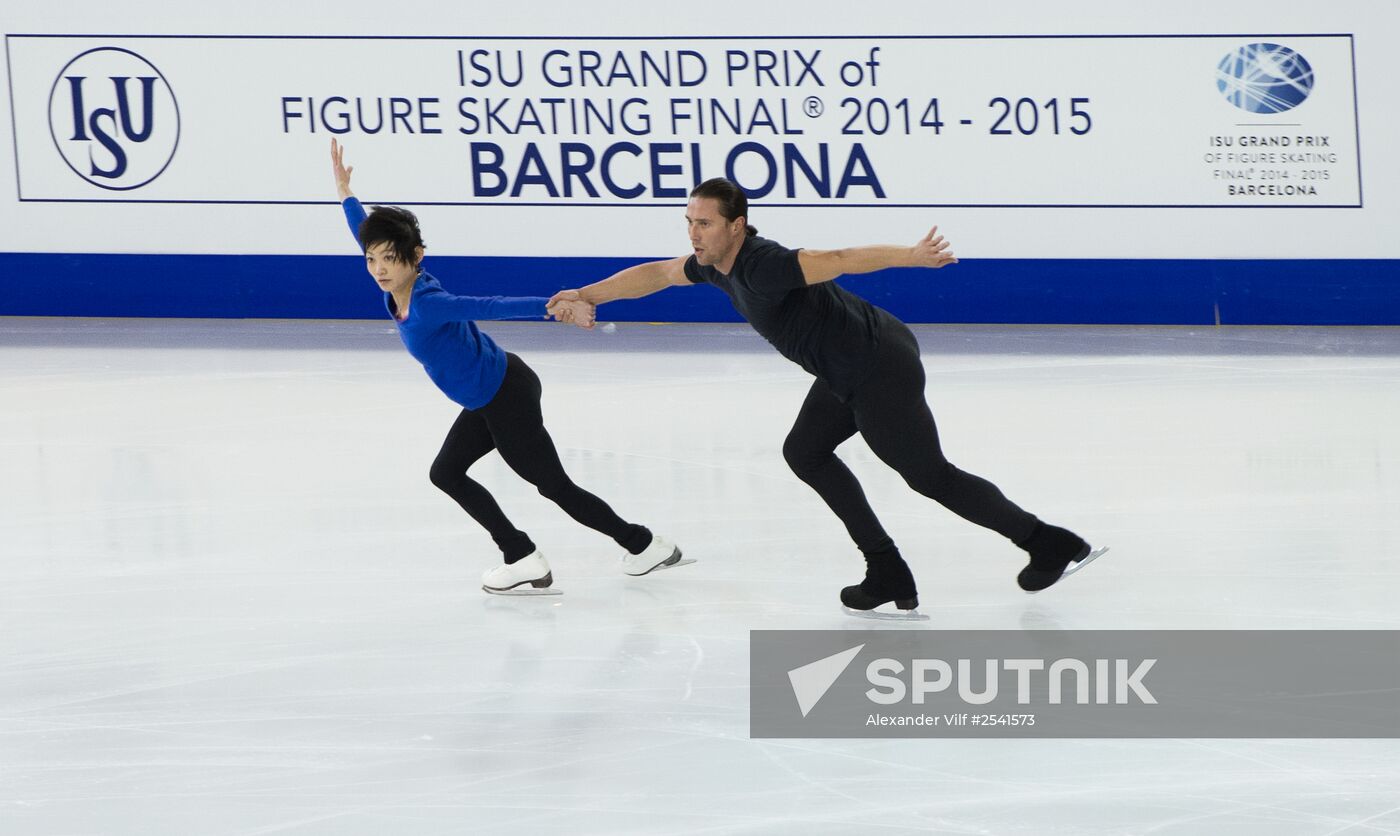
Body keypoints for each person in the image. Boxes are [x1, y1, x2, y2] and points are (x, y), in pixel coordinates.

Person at [551, 178, 1104, 615]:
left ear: (737, 226)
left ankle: (1047, 541)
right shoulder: (714, 266)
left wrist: (911, 256)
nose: (694, 233)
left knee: (928, 476)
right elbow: (660, 274)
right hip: (850, 364)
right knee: (805, 452)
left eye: (706, 223)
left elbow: (837, 258)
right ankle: (886, 570)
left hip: (877, 365)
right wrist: (585, 294)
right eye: (690, 222)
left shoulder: (762, 264)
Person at [329, 138, 684, 594]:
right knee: (447, 473)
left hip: (504, 396)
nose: (378, 268)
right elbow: (363, 228)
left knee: (554, 487)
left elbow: (491, 304)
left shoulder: (428, 302)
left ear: (416, 257)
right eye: (371, 259)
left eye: (389, 259)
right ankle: (520, 554)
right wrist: (345, 192)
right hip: (488, 394)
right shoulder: (393, 281)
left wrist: (555, 305)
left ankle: (642, 545)